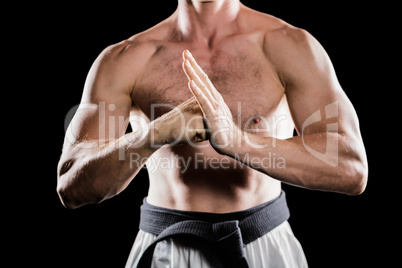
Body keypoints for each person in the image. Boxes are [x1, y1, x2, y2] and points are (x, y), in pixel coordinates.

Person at [57, 0, 368, 267]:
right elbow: (71, 186)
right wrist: (153, 135)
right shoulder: (123, 59)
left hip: (265, 245)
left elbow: (350, 167)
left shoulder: (290, 45)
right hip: (167, 248)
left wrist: (238, 141)